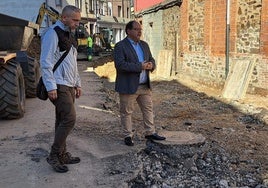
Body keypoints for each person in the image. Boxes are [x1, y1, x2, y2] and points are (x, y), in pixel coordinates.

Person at [40, 5, 82, 173]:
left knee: (61, 120)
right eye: (75, 20)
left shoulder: (69, 35)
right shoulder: (52, 33)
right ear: (64, 18)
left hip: (69, 84)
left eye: (79, 20)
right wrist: (50, 86)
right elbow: (46, 61)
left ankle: (62, 154)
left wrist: (77, 83)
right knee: (70, 119)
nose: (77, 23)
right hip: (58, 84)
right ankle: (54, 155)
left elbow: (73, 63)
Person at [113, 20, 166, 146]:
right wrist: (140, 66)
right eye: (136, 29)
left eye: (140, 29)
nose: (139, 32)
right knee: (127, 112)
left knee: (148, 109)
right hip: (128, 85)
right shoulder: (120, 46)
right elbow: (120, 65)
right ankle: (128, 135)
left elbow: (151, 59)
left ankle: (150, 132)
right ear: (128, 31)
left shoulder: (144, 45)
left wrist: (151, 65)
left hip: (144, 85)